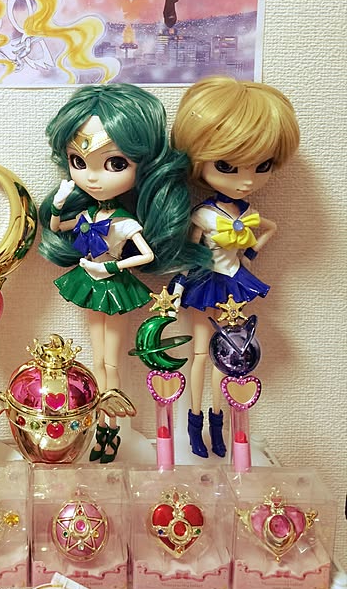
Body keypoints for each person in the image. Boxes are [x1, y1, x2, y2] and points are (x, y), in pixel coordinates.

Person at [38, 84, 209, 463]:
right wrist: (60, 204)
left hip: (113, 285)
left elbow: (144, 254)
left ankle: (111, 431)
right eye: (79, 161)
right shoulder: (87, 213)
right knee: (96, 358)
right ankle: (99, 424)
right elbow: (57, 227)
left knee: (111, 362)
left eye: (115, 164)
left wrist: (111, 265)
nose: (93, 178)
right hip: (88, 281)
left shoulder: (125, 222)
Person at [171, 75, 300, 458]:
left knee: (227, 354)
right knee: (199, 354)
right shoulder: (203, 214)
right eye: (227, 165)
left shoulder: (247, 212)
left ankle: (219, 423)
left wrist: (258, 245)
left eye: (262, 166)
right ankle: (194, 423)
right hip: (205, 282)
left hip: (235, 281)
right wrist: (178, 286)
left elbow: (254, 244)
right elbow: (190, 253)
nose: (246, 181)